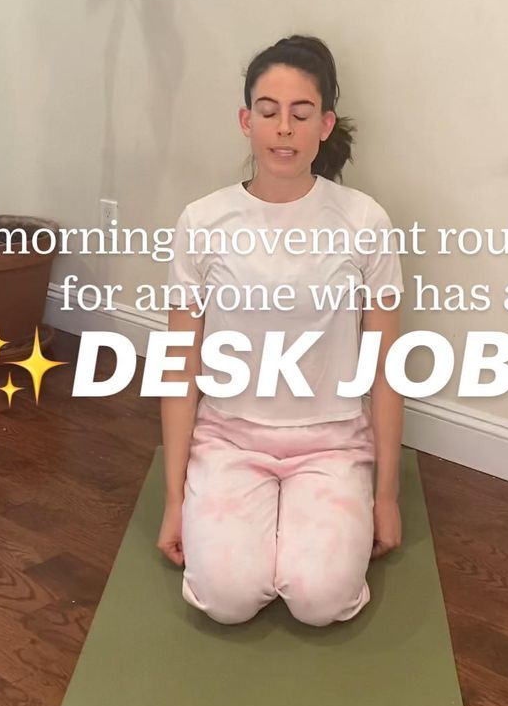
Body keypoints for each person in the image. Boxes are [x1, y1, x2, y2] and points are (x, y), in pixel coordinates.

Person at [158, 35, 405, 626]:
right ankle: (243, 529)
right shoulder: (203, 221)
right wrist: (173, 501)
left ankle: (305, 528)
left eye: (300, 115)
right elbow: (179, 365)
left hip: (333, 440)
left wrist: (387, 498)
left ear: (324, 125)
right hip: (229, 438)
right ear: (247, 121)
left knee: (322, 602)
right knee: (226, 599)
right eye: (268, 112)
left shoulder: (364, 220)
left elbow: (386, 368)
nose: (283, 129)